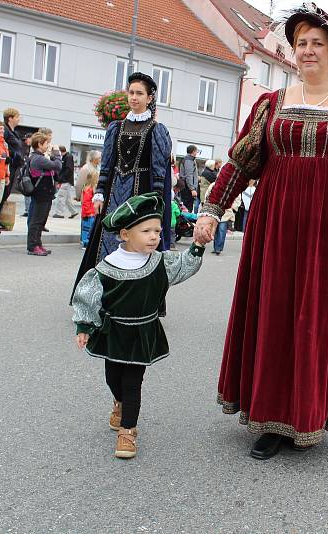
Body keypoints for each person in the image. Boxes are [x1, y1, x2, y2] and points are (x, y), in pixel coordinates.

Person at [194, 4, 328, 459]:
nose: (307, 51)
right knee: (276, 314)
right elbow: (242, 163)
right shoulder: (273, 104)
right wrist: (211, 209)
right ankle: (270, 417)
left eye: (316, 43)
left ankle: (309, 413)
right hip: (276, 224)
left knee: (317, 319)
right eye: (300, 43)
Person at [72, 193, 205, 459]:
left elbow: (183, 267)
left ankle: (128, 431)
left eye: (157, 230)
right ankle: (119, 403)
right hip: (114, 333)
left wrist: (198, 246)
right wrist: (85, 326)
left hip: (143, 333)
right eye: (146, 231)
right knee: (113, 377)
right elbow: (89, 296)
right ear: (125, 234)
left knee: (133, 382)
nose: (154, 236)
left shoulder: (160, 262)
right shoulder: (107, 267)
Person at [73, 72, 174, 296]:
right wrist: (100, 192)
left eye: (139, 93)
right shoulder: (115, 128)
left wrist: (155, 203)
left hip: (141, 194)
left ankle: (134, 298)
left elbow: (159, 171)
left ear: (149, 98)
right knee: (107, 240)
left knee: (138, 244)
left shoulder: (157, 130)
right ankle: (99, 294)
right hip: (114, 195)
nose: (134, 97)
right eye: (131, 92)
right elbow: (107, 164)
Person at [25, 132, 61, 255]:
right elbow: (57, 166)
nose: (48, 145)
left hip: (45, 192)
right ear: (39, 144)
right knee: (36, 220)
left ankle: (38, 243)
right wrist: (57, 154)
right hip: (41, 192)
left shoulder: (38, 157)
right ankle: (32, 246)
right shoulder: (38, 158)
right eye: (46, 143)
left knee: (41, 220)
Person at [0, 108, 24, 230]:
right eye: (17, 117)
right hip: (8, 166)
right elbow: (3, 145)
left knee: (6, 193)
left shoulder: (14, 132)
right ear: (10, 118)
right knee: (2, 193)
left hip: (14, 166)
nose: (19, 119)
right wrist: (13, 155)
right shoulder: (5, 130)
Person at [204, 180, 240, 255]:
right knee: (216, 230)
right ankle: (216, 247)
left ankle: (218, 248)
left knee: (222, 230)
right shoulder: (213, 185)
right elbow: (207, 195)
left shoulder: (232, 185)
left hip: (226, 212)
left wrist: (233, 207)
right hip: (215, 210)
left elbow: (237, 198)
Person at [51, 146, 78, 219]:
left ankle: (59, 213)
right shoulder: (66, 157)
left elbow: (68, 169)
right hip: (66, 181)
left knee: (60, 197)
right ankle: (74, 212)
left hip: (66, 181)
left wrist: (61, 179)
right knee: (67, 199)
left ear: (61, 151)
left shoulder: (68, 157)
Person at [80, 162, 99, 248]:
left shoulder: (86, 187)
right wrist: (89, 212)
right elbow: (86, 202)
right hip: (89, 213)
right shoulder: (89, 189)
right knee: (87, 229)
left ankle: (86, 242)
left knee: (86, 228)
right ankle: (85, 243)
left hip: (89, 213)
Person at [178, 145, 198, 212]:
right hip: (187, 189)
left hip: (187, 187)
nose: (197, 152)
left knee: (186, 208)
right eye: (196, 151)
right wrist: (192, 189)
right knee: (187, 209)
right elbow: (189, 175)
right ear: (193, 151)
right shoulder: (188, 160)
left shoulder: (188, 159)